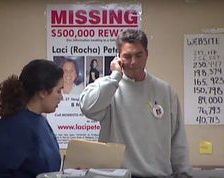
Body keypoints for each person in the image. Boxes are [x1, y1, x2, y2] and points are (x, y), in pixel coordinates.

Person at [80, 29, 192, 178]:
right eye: (127, 56)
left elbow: (178, 138)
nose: (134, 62)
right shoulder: (108, 87)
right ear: (118, 58)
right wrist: (114, 77)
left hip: (158, 174)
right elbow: (88, 108)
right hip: (118, 175)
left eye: (139, 55)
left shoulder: (165, 91)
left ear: (147, 54)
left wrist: (184, 173)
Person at [0, 59, 64, 178]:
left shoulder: (41, 121)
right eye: (58, 91)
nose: (61, 97)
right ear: (43, 92)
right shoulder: (11, 128)